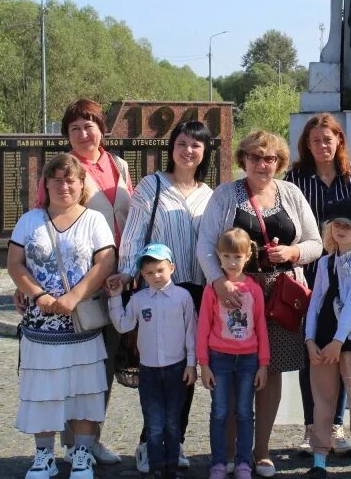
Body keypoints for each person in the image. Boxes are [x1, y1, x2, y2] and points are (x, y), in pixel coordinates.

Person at [197, 130, 323, 477]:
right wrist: (219, 282)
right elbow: (205, 244)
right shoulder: (226, 194)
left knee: (272, 370)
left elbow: (315, 242)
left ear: (279, 162)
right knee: (232, 369)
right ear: (243, 160)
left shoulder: (291, 193)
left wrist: (294, 252)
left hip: (281, 292)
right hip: (236, 292)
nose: (262, 164)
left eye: (269, 158)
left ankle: (261, 449)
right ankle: (234, 453)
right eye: (254, 157)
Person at [15, 99, 133, 465]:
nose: (84, 134)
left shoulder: (119, 165)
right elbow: (37, 231)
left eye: (90, 126)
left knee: (103, 364)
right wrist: (25, 285)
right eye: (75, 129)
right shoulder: (62, 172)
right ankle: (72, 443)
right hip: (71, 288)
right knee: (66, 366)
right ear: (66, 135)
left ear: (102, 129)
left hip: (114, 281)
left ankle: (89, 438)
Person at [112, 120, 215, 474]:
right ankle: (148, 443)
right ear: (172, 147)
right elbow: (134, 233)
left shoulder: (209, 194)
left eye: (196, 145)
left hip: (195, 291)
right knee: (156, 371)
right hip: (157, 289)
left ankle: (176, 442)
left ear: (205, 152)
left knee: (184, 373)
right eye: (183, 143)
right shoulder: (151, 185)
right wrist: (127, 272)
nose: (189, 150)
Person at [7, 154, 116, 479]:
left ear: (81, 184)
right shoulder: (30, 220)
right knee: (43, 390)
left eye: (70, 179)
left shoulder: (94, 220)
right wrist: (38, 294)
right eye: (56, 179)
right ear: (46, 183)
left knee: (84, 390)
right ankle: (44, 456)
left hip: (80, 322)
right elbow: (15, 262)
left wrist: (73, 297)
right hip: (40, 327)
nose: (63, 185)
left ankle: (81, 454)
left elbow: (104, 263)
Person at [285, 113, 351, 456]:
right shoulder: (295, 179)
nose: (322, 146)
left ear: (339, 142)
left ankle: (336, 425)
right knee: (316, 352)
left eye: (328, 139)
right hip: (311, 272)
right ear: (307, 145)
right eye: (315, 140)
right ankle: (313, 426)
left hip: (348, 271)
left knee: (345, 348)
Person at [107, 243, 198, 479]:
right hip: (149, 370)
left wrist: (191, 363)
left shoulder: (183, 297)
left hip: (176, 368)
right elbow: (123, 324)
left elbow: (191, 332)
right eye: (149, 273)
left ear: (171, 268)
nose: (155, 276)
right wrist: (116, 299)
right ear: (142, 275)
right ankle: (156, 468)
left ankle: (172, 468)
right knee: (154, 423)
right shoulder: (139, 299)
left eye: (160, 270)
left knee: (172, 422)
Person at [303, 198, 351, 479]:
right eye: (336, 224)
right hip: (323, 339)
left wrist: (339, 341)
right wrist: (310, 338)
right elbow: (316, 302)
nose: (341, 229)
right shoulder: (325, 262)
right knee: (322, 400)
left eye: (348, 225)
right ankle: (319, 459)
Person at [198, 229, 271, 479]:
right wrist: (203, 364)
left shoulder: (254, 290)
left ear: (248, 256)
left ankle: (243, 462)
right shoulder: (212, 290)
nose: (231, 262)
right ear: (218, 256)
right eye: (226, 256)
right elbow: (203, 328)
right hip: (219, 358)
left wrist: (263, 363)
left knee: (244, 413)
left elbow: (261, 326)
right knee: (219, 412)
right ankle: (218, 462)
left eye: (237, 257)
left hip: (249, 360)